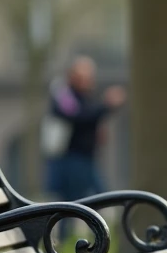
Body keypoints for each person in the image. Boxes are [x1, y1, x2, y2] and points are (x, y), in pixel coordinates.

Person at [45, 56, 126, 229]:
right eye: (83, 76)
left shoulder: (84, 96)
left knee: (97, 199)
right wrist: (106, 106)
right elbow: (79, 117)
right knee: (72, 205)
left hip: (86, 158)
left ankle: (105, 233)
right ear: (72, 76)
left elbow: (88, 117)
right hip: (71, 160)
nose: (88, 81)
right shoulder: (64, 95)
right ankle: (63, 246)